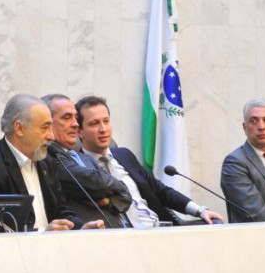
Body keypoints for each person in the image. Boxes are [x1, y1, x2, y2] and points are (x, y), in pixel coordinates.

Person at [75, 95, 224, 227]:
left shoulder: (124, 155)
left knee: (214, 225)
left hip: (158, 227)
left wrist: (200, 210)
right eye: (94, 123)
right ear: (79, 131)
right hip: (124, 236)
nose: (103, 129)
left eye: (106, 121)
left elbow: (160, 190)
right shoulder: (77, 167)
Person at [0, 94, 105, 231]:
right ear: (19, 128)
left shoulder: (46, 161)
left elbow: (61, 210)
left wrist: (81, 228)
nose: (51, 135)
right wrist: (42, 233)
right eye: (44, 128)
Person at [40, 94, 132, 227]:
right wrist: (117, 189)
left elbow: (126, 196)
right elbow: (94, 183)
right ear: (46, 123)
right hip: (87, 237)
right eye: (67, 117)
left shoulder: (85, 158)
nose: (75, 124)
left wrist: (108, 201)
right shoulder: (49, 156)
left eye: (75, 118)